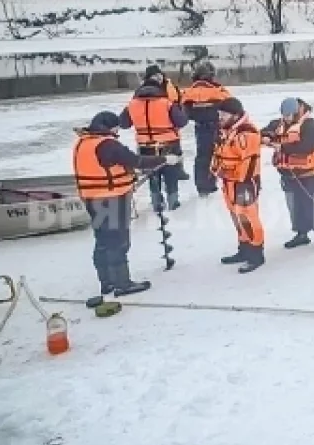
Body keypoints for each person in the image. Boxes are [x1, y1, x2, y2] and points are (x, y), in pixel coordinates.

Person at [72, 111, 177, 298]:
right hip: (111, 199)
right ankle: (122, 284)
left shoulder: (83, 142)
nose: (117, 131)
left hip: (91, 198)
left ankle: (107, 282)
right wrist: (164, 160)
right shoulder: (108, 144)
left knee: (103, 240)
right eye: (116, 128)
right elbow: (136, 161)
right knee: (118, 241)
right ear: (110, 127)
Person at [263, 97, 314, 252]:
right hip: (289, 175)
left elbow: (306, 147)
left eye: (289, 116)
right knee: (295, 207)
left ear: (297, 112)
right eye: (284, 116)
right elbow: (266, 130)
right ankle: (302, 234)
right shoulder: (279, 123)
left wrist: (282, 148)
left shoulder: (311, 125)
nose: (286, 119)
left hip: (311, 174)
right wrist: (266, 136)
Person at [120, 67, 189, 211]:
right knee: (171, 174)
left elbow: (124, 123)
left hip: (145, 146)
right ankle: (173, 201)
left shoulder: (132, 104)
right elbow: (182, 121)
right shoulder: (166, 103)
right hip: (169, 144)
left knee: (152, 174)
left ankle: (157, 203)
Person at [212, 97, 266, 274]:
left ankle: (256, 254)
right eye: (219, 114)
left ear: (235, 115)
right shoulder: (225, 131)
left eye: (223, 114)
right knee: (236, 216)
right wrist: (215, 170)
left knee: (248, 217)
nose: (220, 117)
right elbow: (218, 153)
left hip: (244, 183)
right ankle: (244, 249)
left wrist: (243, 184)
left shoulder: (247, 133)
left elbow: (249, 162)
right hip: (228, 182)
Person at [180, 61, 231, 197]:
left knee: (202, 156)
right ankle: (223, 181)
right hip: (217, 126)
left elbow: (184, 113)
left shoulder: (188, 92)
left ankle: (203, 186)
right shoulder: (219, 91)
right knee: (221, 153)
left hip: (200, 128)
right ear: (211, 75)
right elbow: (231, 106)